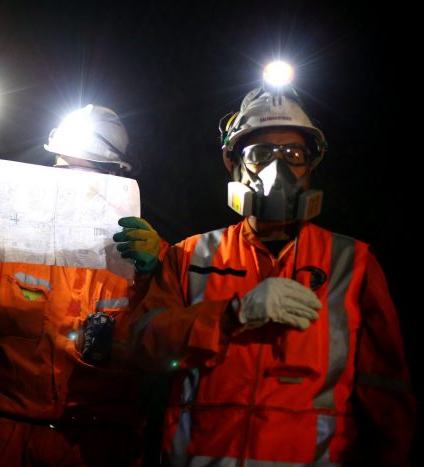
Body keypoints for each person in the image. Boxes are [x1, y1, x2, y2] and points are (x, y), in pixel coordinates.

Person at [115, 72, 416, 465]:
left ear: (312, 165)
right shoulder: (191, 254)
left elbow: (386, 393)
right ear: (233, 163)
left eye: (294, 155)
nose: (279, 170)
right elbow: (139, 344)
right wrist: (231, 315)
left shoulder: (353, 263)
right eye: (260, 154)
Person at [0, 104, 163, 466]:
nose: (66, 182)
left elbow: (160, 348)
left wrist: (152, 276)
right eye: (60, 168)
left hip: (95, 442)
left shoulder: (142, 257)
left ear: (115, 177)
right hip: (9, 428)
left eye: (83, 172)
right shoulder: (13, 249)